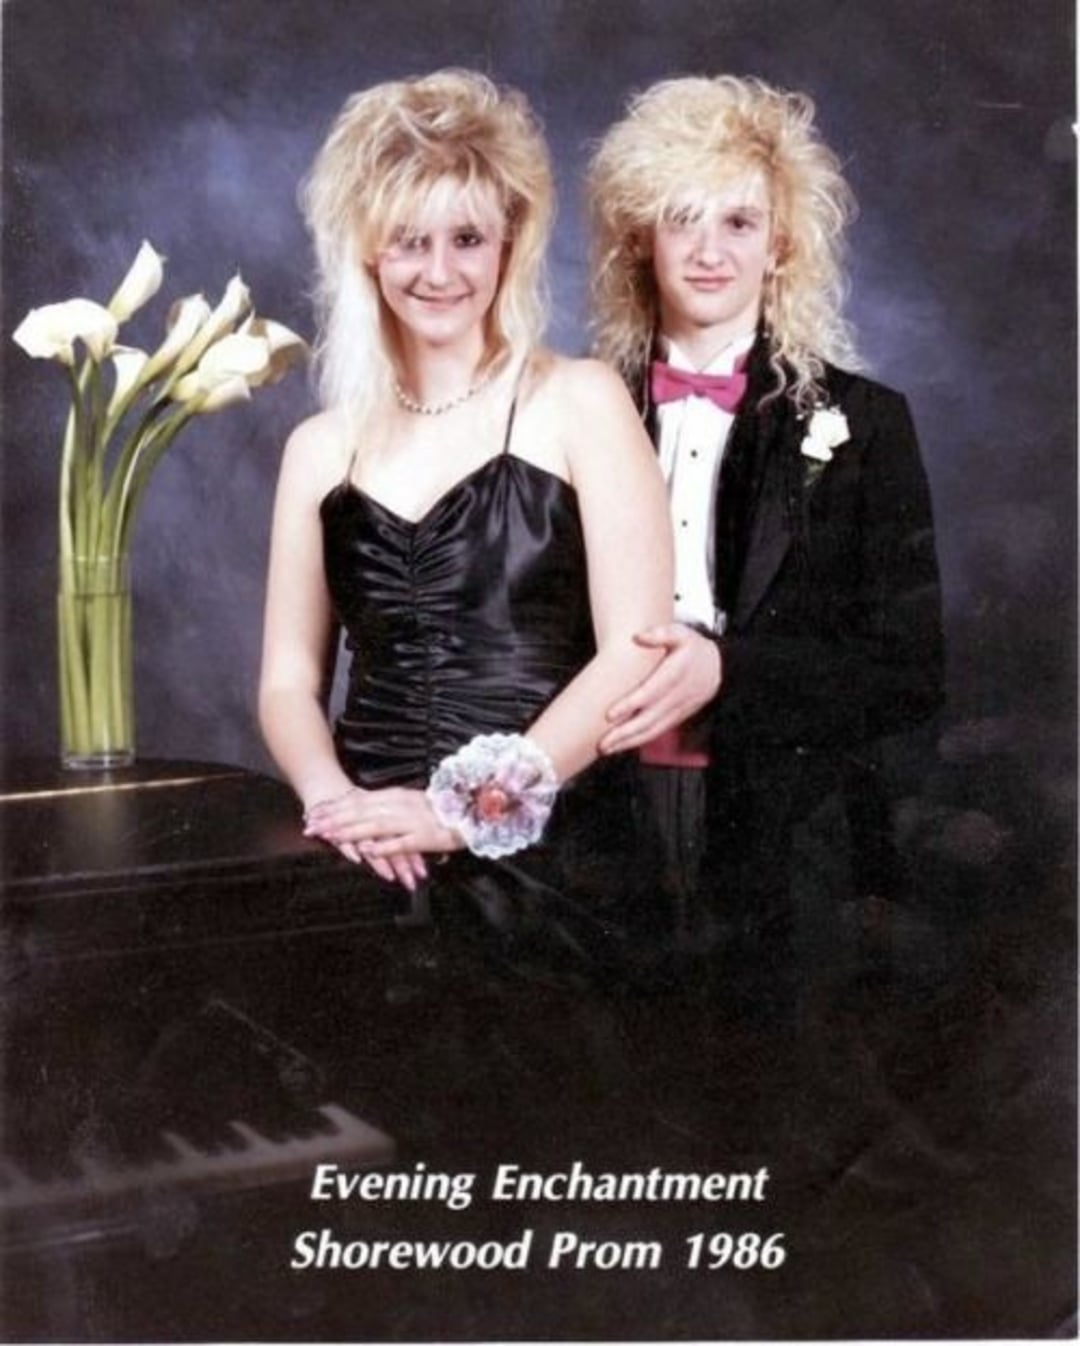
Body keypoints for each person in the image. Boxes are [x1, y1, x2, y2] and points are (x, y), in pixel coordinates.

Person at [257, 70, 672, 1147]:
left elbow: (636, 647)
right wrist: (336, 804)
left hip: (554, 863)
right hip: (366, 861)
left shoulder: (579, 399)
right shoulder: (318, 445)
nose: (438, 271)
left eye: (467, 239)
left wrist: (463, 811)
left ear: (510, 244)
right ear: (365, 249)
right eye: (409, 241)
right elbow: (288, 682)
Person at [586, 75, 944, 1022]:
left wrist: (726, 671)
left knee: (762, 1119)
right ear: (639, 236)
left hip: (785, 839)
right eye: (682, 219)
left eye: (740, 223)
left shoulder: (866, 426)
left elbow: (909, 674)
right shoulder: (570, 413)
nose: (709, 251)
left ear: (782, 242)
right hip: (594, 823)